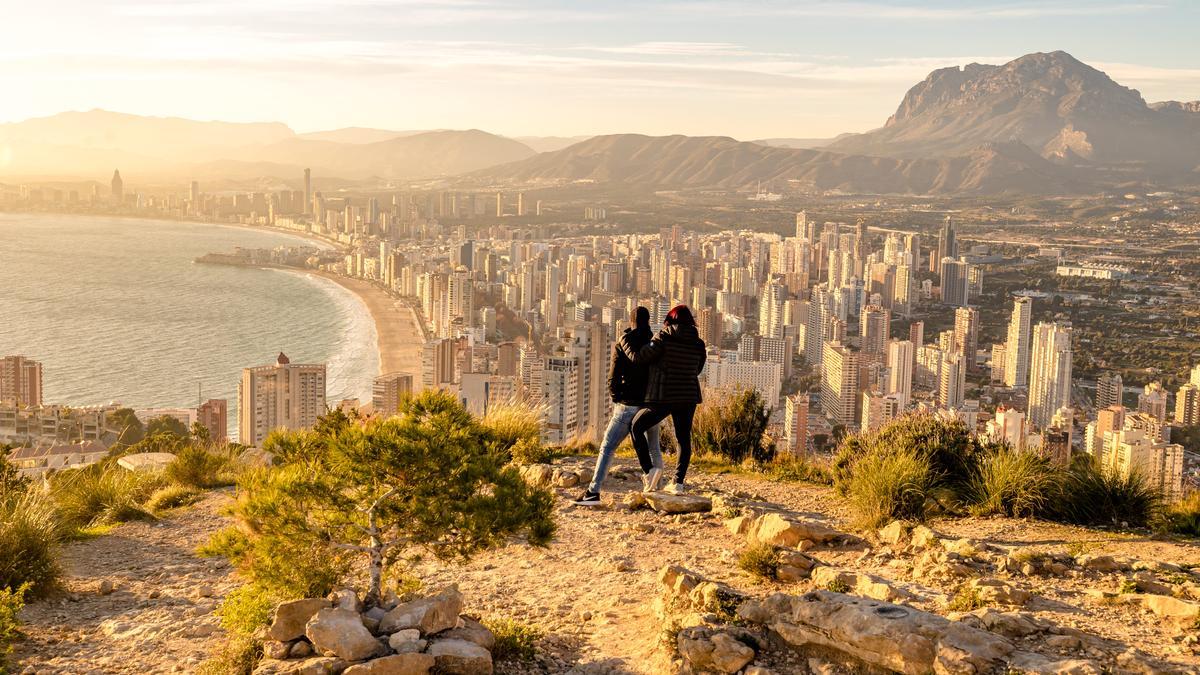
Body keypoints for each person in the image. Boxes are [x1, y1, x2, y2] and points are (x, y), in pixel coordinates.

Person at [572, 307, 662, 506]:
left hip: (627, 404)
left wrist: (617, 396)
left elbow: (614, 375)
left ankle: (593, 492)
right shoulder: (655, 344)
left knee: (607, 447)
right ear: (648, 321)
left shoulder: (624, 343)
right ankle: (657, 494)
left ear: (632, 321)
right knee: (654, 447)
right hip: (649, 405)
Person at [622, 304, 706, 494]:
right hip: (688, 396)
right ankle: (678, 483)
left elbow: (638, 357)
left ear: (670, 319)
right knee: (683, 439)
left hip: (663, 396)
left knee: (636, 426)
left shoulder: (663, 337)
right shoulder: (699, 343)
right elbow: (698, 369)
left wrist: (624, 341)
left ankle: (650, 470)